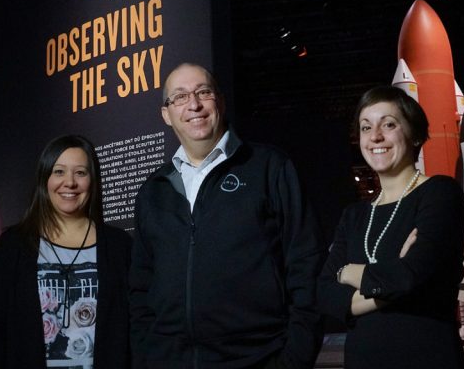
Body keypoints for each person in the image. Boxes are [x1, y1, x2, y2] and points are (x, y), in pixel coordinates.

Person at [129, 62, 325, 368]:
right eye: (179, 97)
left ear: (219, 100)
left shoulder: (269, 167)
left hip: (258, 360)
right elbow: (140, 287)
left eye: (203, 92)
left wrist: (293, 360)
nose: (193, 104)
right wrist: (147, 355)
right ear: (166, 115)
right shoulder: (153, 191)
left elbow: (306, 265)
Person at [317, 85, 464, 369]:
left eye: (388, 124)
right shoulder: (354, 215)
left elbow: (412, 274)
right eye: (365, 127)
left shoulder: (439, 194)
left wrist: (349, 273)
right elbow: (325, 294)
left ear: (413, 134)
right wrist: (394, 280)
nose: (375, 136)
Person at [0, 134, 131, 369]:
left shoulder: (120, 246)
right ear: (44, 178)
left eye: (80, 172)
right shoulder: (13, 245)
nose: (69, 182)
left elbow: (135, 329)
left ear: (93, 180)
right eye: (59, 172)